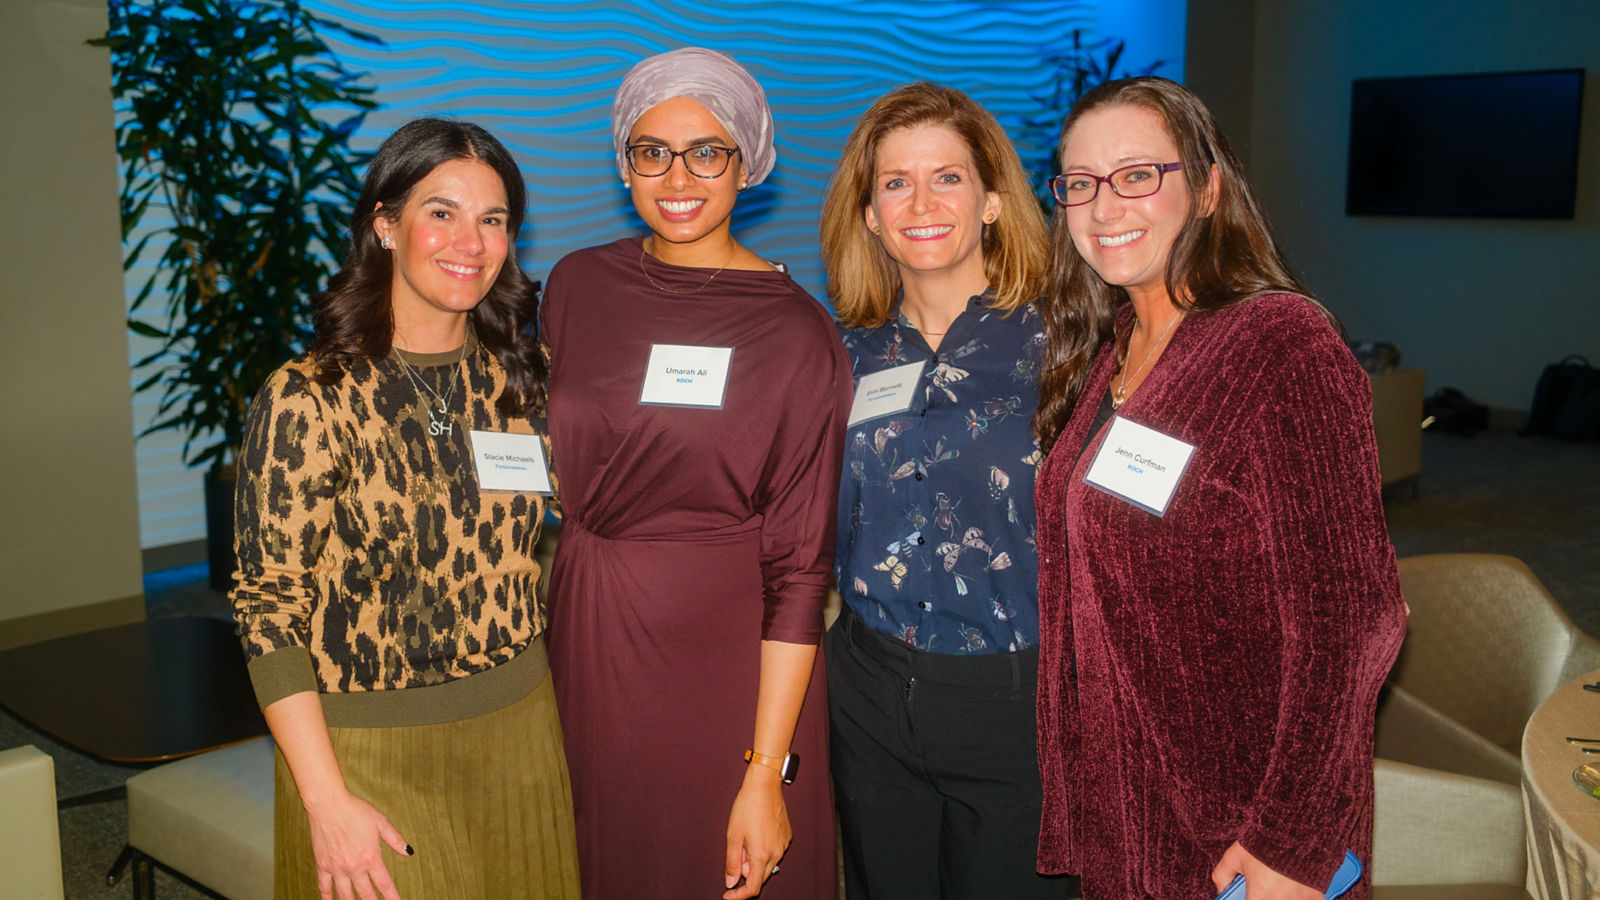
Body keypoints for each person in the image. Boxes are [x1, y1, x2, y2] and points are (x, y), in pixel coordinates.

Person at [1030, 75, 1409, 900]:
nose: (1104, 207)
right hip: (1131, 812)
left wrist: (1293, 841)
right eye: (1081, 184)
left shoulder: (1279, 343)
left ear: (1206, 188)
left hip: (1240, 830)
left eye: (1137, 175)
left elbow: (1353, 617)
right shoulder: (1115, 350)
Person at [231, 118, 580, 900]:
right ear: (386, 226)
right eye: (442, 212)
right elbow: (266, 611)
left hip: (521, 735)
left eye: (493, 219)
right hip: (366, 758)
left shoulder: (526, 381)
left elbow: (623, 501)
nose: (471, 240)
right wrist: (324, 800)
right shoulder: (309, 398)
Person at [540, 47, 851, 900]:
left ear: (746, 163)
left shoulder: (793, 330)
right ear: (623, 161)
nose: (679, 175)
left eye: (708, 150)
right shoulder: (575, 285)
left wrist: (765, 773)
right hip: (586, 622)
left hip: (721, 660)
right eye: (652, 150)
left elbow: (799, 569)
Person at [819, 82, 1068, 898]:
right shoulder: (839, 352)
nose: (920, 202)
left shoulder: (1068, 342)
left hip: (1015, 704)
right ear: (868, 212)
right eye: (895, 182)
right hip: (866, 693)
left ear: (994, 199)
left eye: (948, 177)